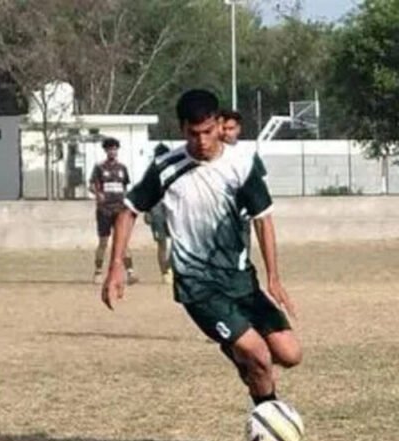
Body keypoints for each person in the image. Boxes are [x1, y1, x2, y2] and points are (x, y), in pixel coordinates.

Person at [102, 89, 302, 408]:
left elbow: (263, 219)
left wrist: (274, 278)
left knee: (290, 354)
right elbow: (128, 211)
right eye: (193, 133)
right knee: (259, 357)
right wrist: (115, 266)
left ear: (219, 125)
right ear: (182, 129)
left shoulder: (242, 165)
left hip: (241, 281)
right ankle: (269, 417)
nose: (202, 141)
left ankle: (236, 350)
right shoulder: (166, 167)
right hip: (198, 287)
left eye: (208, 131)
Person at [90, 137, 137, 285]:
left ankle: (130, 273)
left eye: (115, 149)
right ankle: (98, 271)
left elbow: (125, 188)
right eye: (110, 149)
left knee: (123, 242)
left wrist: (127, 203)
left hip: (119, 210)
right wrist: (98, 194)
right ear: (106, 150)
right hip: (104, 210)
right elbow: (91, 186)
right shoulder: (99, 168)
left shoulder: (122, 168)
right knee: (103, 242)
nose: (112, 151)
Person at [143, 143, 173, 284]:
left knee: (178, 241)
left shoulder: (174, 170)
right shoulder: (152, 173)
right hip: (156, 209)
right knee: (162, 243)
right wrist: (147, 211)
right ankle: (164, 272)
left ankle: (170, 267)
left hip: (172, 209)